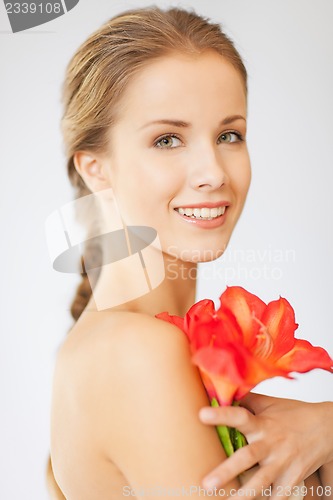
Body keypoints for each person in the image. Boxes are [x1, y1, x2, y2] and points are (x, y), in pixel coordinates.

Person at [48, 6, 333, 499]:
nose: (213, 172)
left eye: (229, 135)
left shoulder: (156, 343)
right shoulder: (136, 351)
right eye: (167, 139)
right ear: (96, 169)